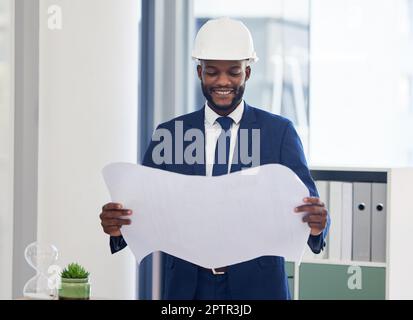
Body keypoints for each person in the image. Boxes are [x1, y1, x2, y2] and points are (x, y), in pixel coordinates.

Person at [100, 17, 330, 300]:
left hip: (257, 287)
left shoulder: (278, 132)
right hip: (188, 287)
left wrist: (318, 224)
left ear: (247, 73)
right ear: (199, 72)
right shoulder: (170, 134)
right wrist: (117, 226)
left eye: (233, 72)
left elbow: (308, 208)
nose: (223, 82)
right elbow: (145, 208)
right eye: (212, 72)